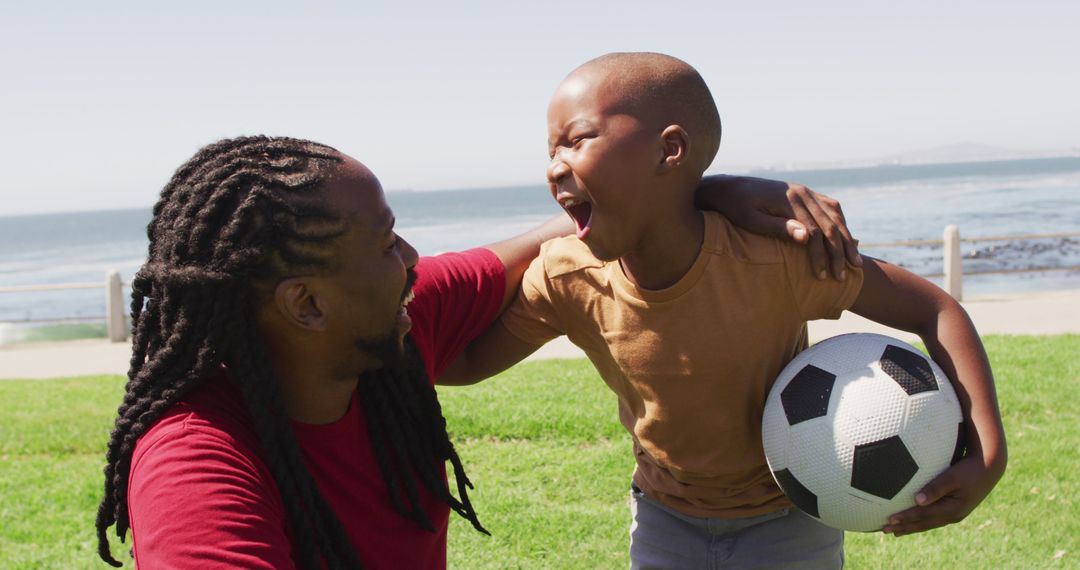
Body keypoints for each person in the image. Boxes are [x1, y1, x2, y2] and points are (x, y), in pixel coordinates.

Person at [93, 135, 860, 568]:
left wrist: (705, 190)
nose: (413, 257)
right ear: (308, 303)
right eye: (386, 242)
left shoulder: (387, 329)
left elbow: (552, 240)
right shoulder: (193, 462)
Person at [442, 53, 1007, 568]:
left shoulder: (774, 261)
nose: (555, 167)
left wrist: (987, 454)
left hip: (792, 520)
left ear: (671, 150)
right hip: (663, 521)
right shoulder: (567, 277)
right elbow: (463, 360)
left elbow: (936, 311)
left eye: (577, 139)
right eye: (550, 151)